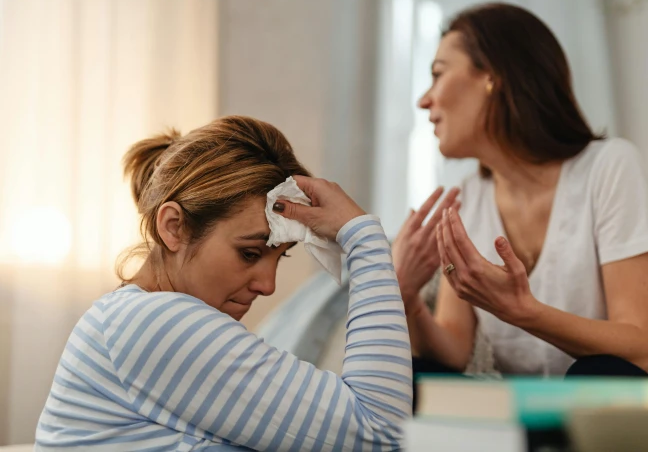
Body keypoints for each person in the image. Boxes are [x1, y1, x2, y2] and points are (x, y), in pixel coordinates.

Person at [36, 116, 412, 451]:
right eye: (249, 254)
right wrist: (363, 239)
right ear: (173, 227)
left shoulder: (135, 318)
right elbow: (381, 432)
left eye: (279, 257)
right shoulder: (154, 323)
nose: (268, 286)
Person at [392, 3, 648, 381]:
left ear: (492, 76)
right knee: (409, 381)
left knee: (596, 374)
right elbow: (454, 353)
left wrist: (522, 310)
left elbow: (638, 348)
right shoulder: (465, 201)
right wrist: (406, 297)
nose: (424, 100)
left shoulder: (609, 166)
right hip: (541, 416)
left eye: (438, 74)